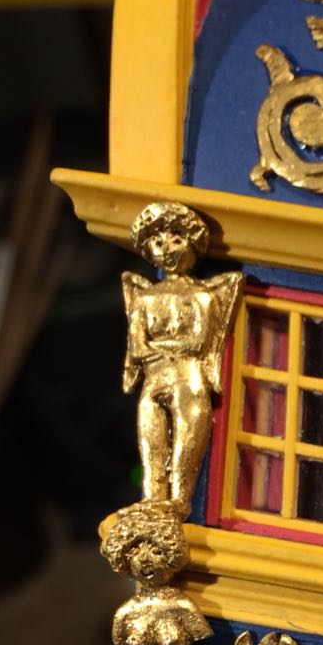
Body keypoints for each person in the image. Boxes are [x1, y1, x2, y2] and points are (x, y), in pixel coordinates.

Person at [122, 201, 241, 513]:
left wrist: (159, 347)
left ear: (191, 245)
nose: (167, 250)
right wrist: (170, 348)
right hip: (154, 382)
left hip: (188, 380)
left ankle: (180, 501)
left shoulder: (202, 296)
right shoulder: (144, 298)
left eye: (177, 240)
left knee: (186, 442)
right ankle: (151, 499)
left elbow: (199, 342)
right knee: (151, 443)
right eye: (158, 242)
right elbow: (137, 348)